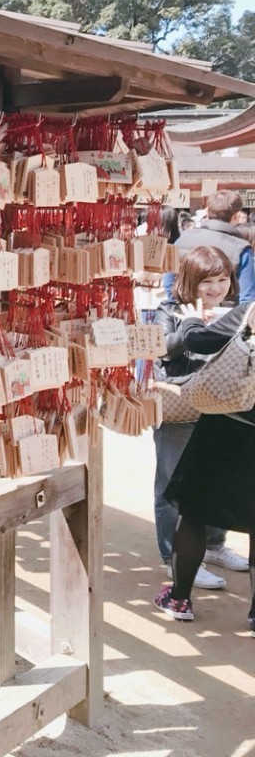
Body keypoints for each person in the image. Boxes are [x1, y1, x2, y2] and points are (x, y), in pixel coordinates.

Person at [155, 298, 255, 632]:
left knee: (194, 512)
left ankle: (179, 597)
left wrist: (193, 320)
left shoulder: (252, 309)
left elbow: (201, 341)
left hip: (228, 424)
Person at [151, 246, 248, 589]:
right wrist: (192, 326)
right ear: (190, 280)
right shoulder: (169, 309)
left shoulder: (233, 311)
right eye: (207, 281)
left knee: (216, 480)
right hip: (178, 407)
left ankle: (214, 545)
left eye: (223, 280)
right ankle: (170, 556)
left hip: (219, 410)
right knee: (171, 483)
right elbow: (160, 347)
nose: (216, 289)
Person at [165, 191, 255, 304]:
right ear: (236, 216)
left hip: (186, 312)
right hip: (226, 316)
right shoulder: (241, 248)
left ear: (207, 211)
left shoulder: (182, 239)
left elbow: (169, 282)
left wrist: (178, 308)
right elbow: (247, 297)